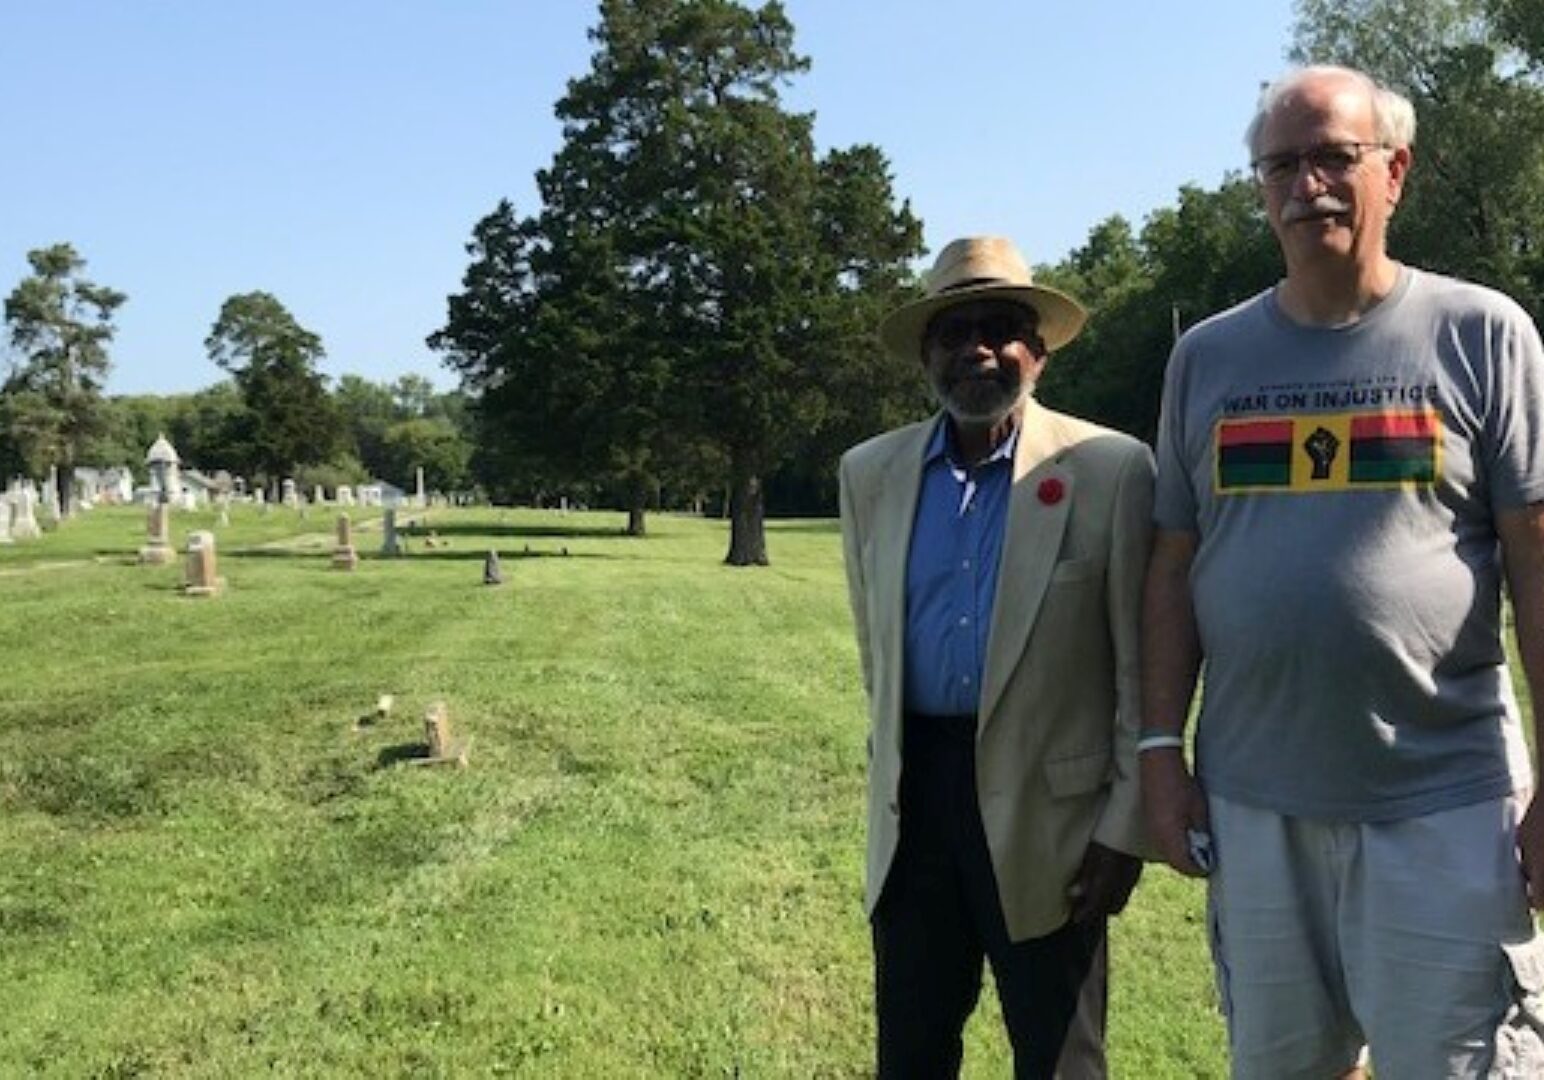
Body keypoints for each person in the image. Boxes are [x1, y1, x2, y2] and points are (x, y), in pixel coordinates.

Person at [1142, 64, 1544, 1078]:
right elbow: (1171, 563)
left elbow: (1535, 562)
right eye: (1281, 163)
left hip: (1442, 805)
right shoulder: (1206, 358)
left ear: (1394, 172)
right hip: (1253, 804)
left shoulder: (1480, 334)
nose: (1304, 184)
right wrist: (1156, 747)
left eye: (1333, 157)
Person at [839, 236, 1153, 1077]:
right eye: (952, 331)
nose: (976, 347)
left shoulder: (1112, 469)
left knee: (1060, 1058)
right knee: (911, 1052)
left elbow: (1139, 668)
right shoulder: (868, 474)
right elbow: (878, 649)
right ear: (925, 356)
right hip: (916, 811)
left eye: (1000, 327)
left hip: (1054, 818)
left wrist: (1124, 825)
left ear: (1038, 352)